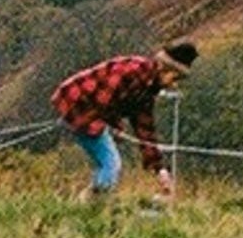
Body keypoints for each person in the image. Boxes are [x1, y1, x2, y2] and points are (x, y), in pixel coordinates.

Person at [50, 41, 196, 202]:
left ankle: (87, 202)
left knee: (108, 162)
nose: (173, 85)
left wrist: (159, 169)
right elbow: (103, 99)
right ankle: (91, 205)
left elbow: (145, 129)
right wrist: (112, 125)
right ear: (163, 68)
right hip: (79, 105)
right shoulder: (132, 71)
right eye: (174, 78)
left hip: (93, 111)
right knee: (111, 164)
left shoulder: (147, 89)